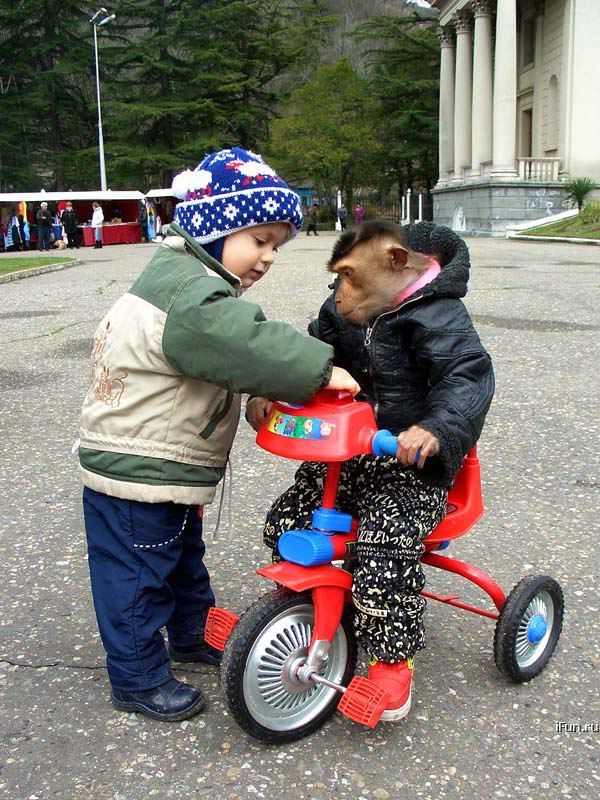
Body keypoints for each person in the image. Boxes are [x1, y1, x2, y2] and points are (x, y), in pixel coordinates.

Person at [78, 146, 359, 723]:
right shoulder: (193, 293)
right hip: (139, 470)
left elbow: (216, 364)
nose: (269, 256)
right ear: (216, 224)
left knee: (181, 559)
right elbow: (247, 344)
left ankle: (190, 632)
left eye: (277, 245)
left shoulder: (187, 282)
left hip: (158, 465)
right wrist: (319, 367)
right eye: (259, 239)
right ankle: (136, 678)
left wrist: (255, 397)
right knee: (137, 576)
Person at [250, 220, 494, 723]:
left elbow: (466, 376)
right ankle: (319, 602)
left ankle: (391, 661)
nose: (340, 294)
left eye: (349, 279)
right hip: (348, 456)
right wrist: (271, 390)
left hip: (412, 466)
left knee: (382, 551)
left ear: (396, 265)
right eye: (337, 279)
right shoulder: (341, 314)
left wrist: (435, 429)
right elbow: (311, 357)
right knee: (286, 521)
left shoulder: (439, 314)